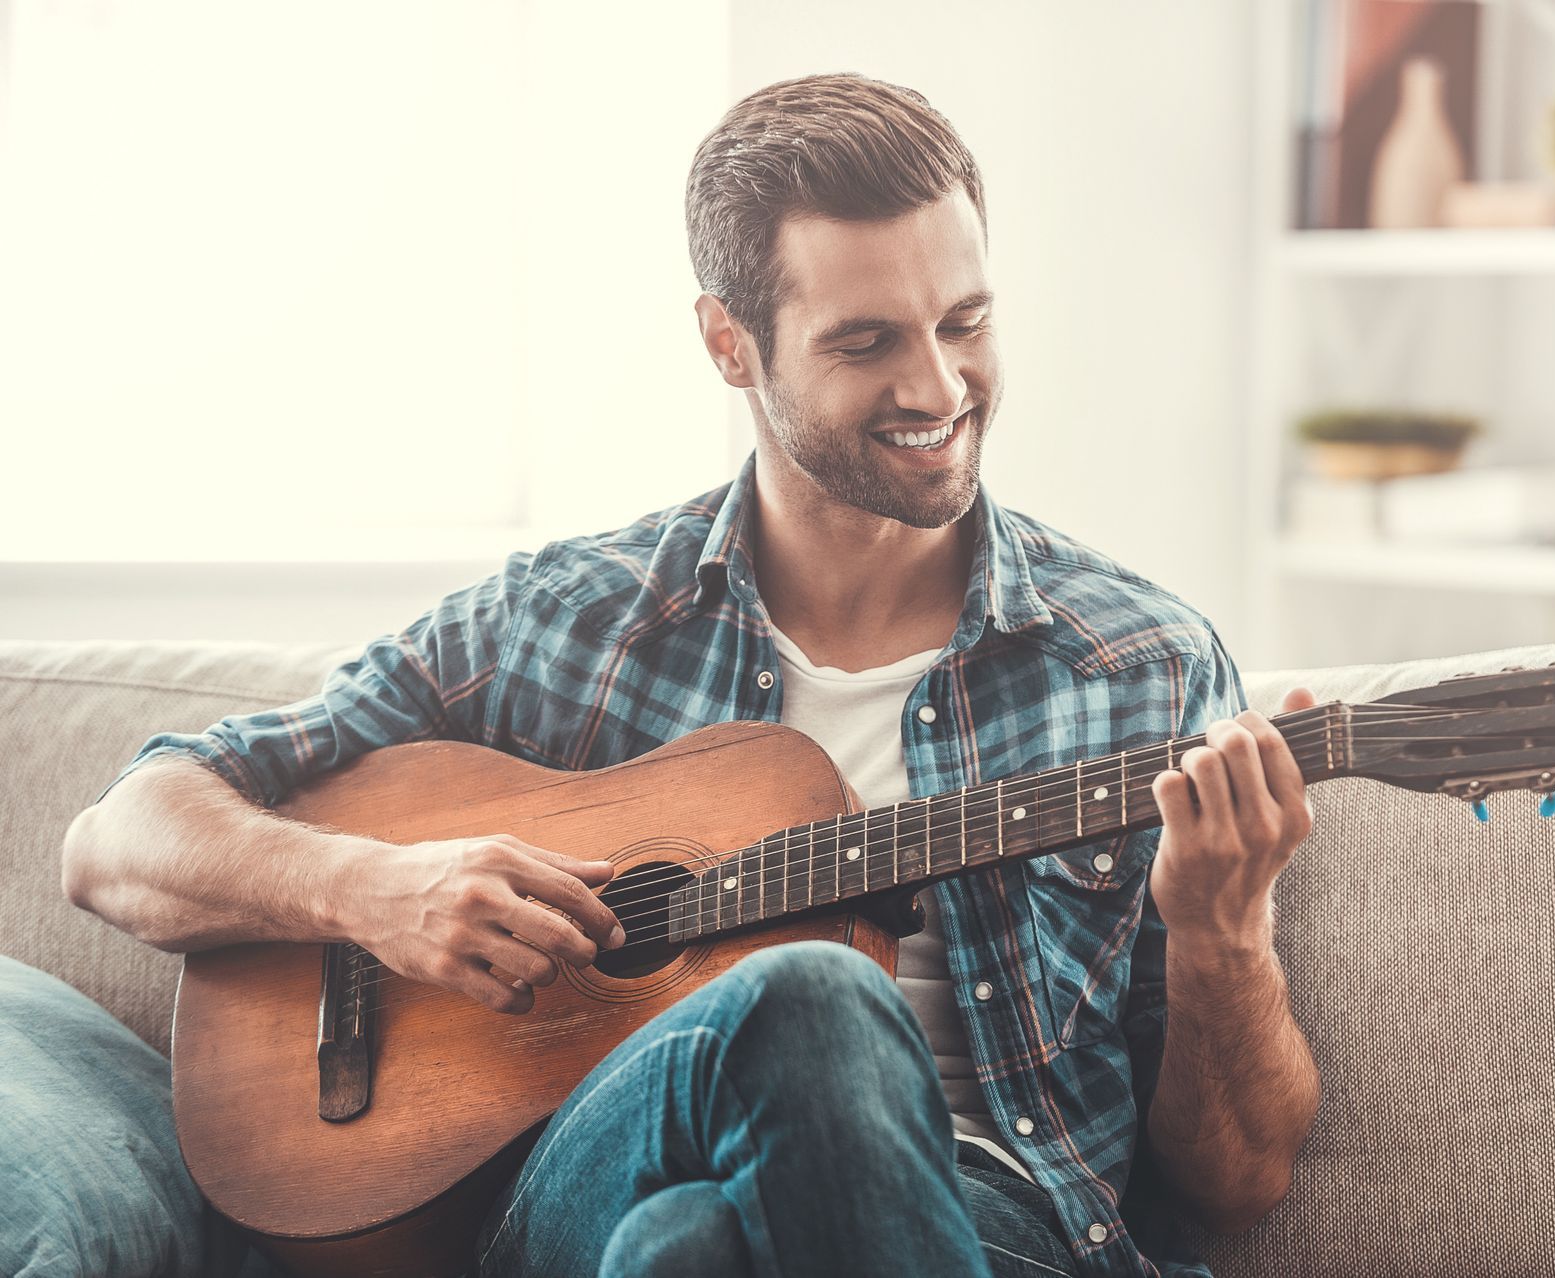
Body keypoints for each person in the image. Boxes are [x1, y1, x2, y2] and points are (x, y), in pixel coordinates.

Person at [63, 72, 1321, 1278]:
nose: (939, 386)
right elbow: (118, 840)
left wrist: (1222, 934)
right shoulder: (565, 622)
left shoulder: (1142, 667)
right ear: (731, 343)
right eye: (869, 339)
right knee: (807, 1007)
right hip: (582, 1186)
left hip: (1001, 1230)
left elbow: (1238, 1181)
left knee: (689, 1254)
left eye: (967, 322)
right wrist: (370, 887)